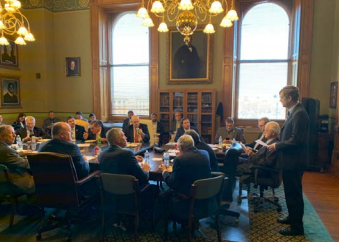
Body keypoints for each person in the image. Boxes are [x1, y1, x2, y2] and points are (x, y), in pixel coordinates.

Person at [267, 85, 309, 236]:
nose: (280, 100)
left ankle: (297, 227)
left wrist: (277, 145)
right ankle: (292, 218)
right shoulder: (294, 112)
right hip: (290, 161)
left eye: (281, 97)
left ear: (289, 98)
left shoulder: (299, 113)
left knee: (294, 195)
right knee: (290, 193)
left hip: (294, 162)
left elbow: (296, 140)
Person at [158, 135, 211, 217]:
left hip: (186, 196)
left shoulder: (179, 159)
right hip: (204, 193)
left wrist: (164, 171)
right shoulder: (205, 153)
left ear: (181, 147)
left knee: (161, 191)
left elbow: (172, 184)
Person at [0, 125, 35, 195]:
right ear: (1, 136)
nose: (14, 135)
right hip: (13, 183)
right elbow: (25, 164)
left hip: (3, 182)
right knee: (44, 177)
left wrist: (22, 153)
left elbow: (10, 156)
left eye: (14, 133)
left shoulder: (3, 148)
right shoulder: (6, 151)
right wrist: (38, 160)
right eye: (11, 133)